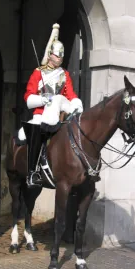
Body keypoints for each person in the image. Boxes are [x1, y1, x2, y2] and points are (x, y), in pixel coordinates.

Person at [18, 23, 83, 187]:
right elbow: (28, 97)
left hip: (58, 116)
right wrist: (42, 99)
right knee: (35, 132)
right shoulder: (38, 73)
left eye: (61, 56)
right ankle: (32, 172)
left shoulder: (64, 74)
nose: (59, 59)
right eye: (56, 56)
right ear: (50, 55)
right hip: (41, 115)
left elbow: (70, 94)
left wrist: (75, 103)